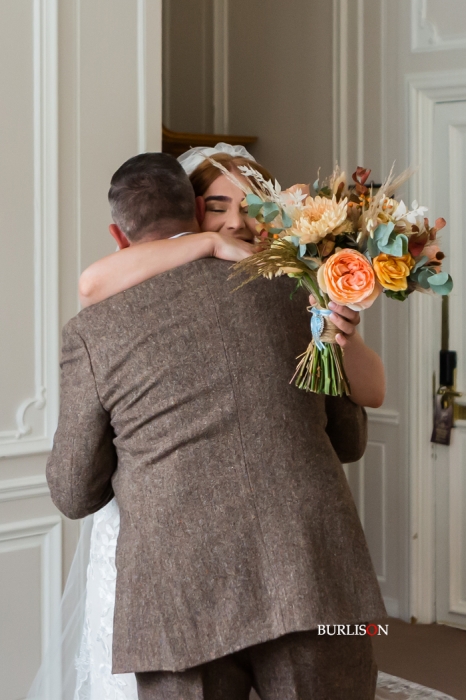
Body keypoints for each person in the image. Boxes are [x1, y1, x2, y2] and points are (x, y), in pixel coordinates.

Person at [46, 148, 387, 700]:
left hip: (179, 602)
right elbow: (349, 440)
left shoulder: (94, 331)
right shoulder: (300, 291)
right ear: (198, 209)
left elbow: (73, 493)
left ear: (118, 236)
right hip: (314, 577)